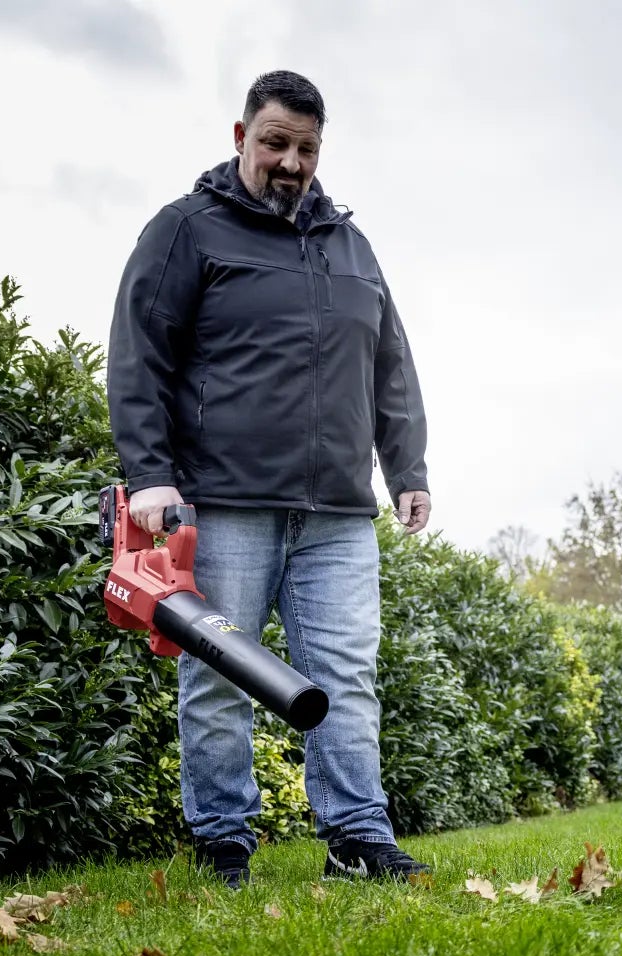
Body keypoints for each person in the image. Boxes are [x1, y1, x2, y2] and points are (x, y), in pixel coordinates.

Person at [106, 69, 432, 888]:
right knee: (218, 676)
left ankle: (357, 838)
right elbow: (139, 355)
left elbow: (389, 362)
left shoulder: (351, 245)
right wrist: (149, 474)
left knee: (347, 676)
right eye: (275, 143)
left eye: (307, 149)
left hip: (337, 513)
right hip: (224, 504)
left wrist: (408, 467)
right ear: (240, 136)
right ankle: (224, 842)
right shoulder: (187, 230)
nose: (291, 162)